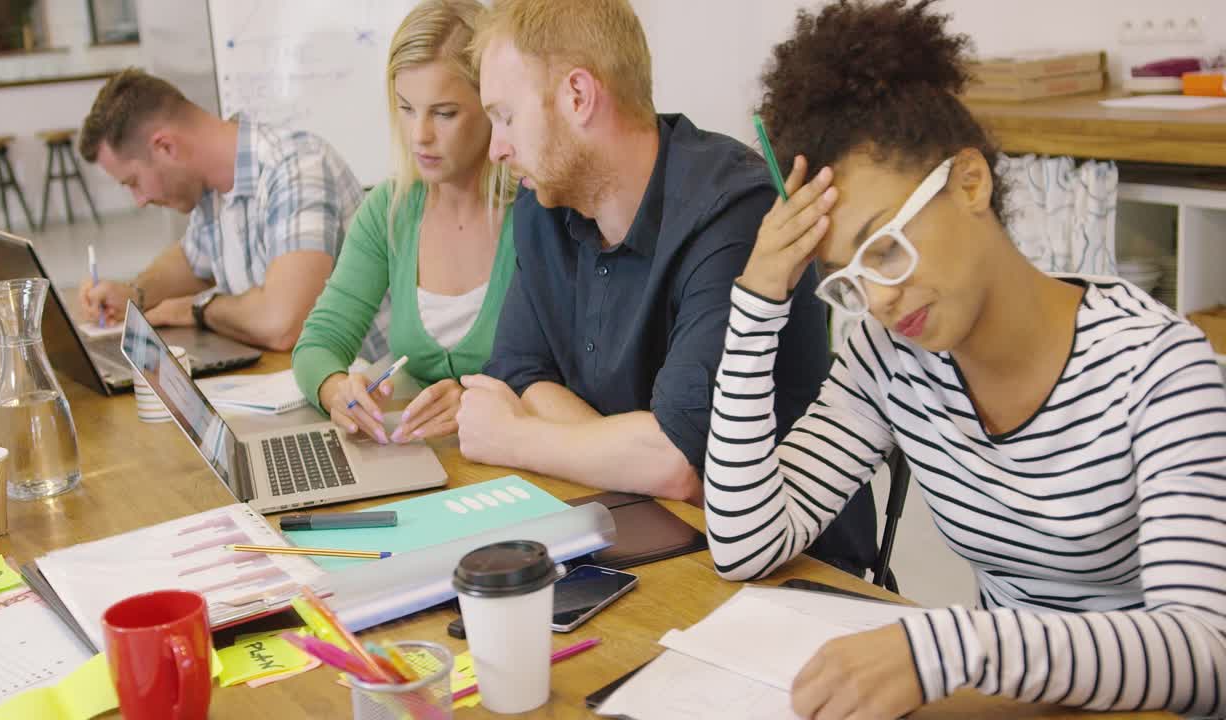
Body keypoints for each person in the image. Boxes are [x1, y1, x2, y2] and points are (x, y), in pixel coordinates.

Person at [703, 1, 1226, 718]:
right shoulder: (890, 359)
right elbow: (745, 544)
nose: (880, 299)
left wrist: (946, 646)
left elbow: (1203, 653)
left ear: (969, 182)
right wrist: (758, 301)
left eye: (885, 246)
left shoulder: (1159, 370)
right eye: (849, 277)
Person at [459, 0, 877, 576]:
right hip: (624, 528)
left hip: (791, 574)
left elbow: (676, 460)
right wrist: (630, 456)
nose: (495, 149)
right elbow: (523, 374)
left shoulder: (735, 210)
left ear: (578, 97)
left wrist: (510, 438)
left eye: (505, 116)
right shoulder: (542, 205)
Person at [293, 0, 516, 445]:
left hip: (524, 467)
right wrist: (337, 389)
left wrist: (479, 401)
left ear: (491, 105)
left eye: (444, 113)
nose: (419, 135)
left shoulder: (536, 209)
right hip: (425, 461)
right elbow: (320, 342)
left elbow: (577, 373)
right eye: (406, 108)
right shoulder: (390, 210)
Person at [76, 69, 382, 354]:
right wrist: (133, 294)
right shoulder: (210, 187)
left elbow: (282, 325)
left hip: (375, 390)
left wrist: (192, 310)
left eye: (134, 182)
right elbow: (191, 262)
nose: (139, 200)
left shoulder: (295, 167)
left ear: (166, 147)